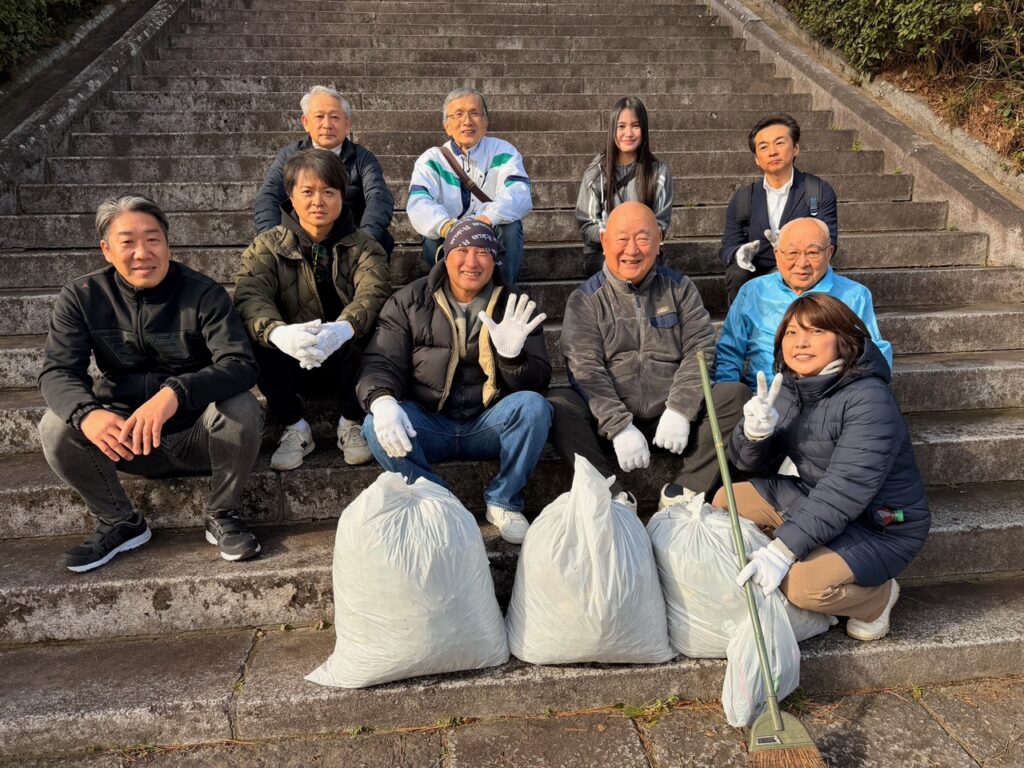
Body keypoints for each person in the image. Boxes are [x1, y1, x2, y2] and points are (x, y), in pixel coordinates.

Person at [39, 195, 263, 572]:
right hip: (124, 441)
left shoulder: (203, 293)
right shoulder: (82, 297)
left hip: (197, 435)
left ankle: (223, 514)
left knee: (241, 406)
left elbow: (241, 364)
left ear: (168, 243)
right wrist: (88, 413)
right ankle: (119, 521)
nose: (142, 253)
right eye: (127, 242)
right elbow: (57, 371)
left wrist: (176, 393)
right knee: (55, 425)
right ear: (106, 250)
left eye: (153, 239)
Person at [721, 293, 930, 642]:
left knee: (803, 587)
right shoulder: (790, 387)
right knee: (728, 500)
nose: (800, 342)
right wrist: (754, 435)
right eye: (791, 332)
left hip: (879, 524)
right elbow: (748, 465)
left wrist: (782, 551)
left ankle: (878, 598)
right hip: (813, 496)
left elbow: (845, 489)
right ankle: (805, 552)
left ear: (843, 339)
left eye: (815, 331)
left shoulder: (869, 399)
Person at [357, 219, 552, 544]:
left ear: (495, 260)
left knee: (534, 408)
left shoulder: (513, 303)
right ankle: (438, 499)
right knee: (374, 425)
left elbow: (539, 382)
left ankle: (504, 500)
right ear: (445, 256)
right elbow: (381, 361)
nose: (472, 262)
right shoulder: (410, 300)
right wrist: (382, 399)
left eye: (483, 252)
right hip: (429, 422)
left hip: (488, 423)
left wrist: (513, 359)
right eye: (462, 250)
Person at [547, 201, 749, 508]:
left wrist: (680, 409)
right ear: (604, 241)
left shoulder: (680, 288)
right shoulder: (585, 299)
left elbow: (701, 349)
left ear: (659, 240)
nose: (632, 249)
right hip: (610, 422)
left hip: (672, 420)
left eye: (642, 238)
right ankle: (609, 492)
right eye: (621, 238)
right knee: (558, 406)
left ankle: (685, 489)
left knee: (734, 395)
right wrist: (619, 426)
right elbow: (585, 370)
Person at [235, 149, 390, 471]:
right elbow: (251, 296)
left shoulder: (365, 247)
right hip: (291, 359)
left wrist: (344, 328)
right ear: (291, 196)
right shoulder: (266, 246)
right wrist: (278, 333)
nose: (318, 201)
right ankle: (296, 427)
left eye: (328, 192)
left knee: (386, 326)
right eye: (307, 191)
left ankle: (351, 421)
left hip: (348, 360)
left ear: (342, 196)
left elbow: (372, 293)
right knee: (249, 332)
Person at [716, 217, 891, 390]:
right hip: (764, 394)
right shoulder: (753, 291)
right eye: (792, 253)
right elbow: (729, 352)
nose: (802, 263)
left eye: (813, 253)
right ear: (777, 254)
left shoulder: (855, 295)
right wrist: (726, 393)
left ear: (829, 253)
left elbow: (874, 355)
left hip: (830, 394)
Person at [406, 87, 532, 283]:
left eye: (474, 113)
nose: (467, 121)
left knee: (510, 225)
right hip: (449, 235)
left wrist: (486, 219)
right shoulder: (431, 160)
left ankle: (503, 289)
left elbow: (519, 193)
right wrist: (447, 227)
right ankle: (448, 290)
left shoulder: (504, 151)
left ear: (485, 123)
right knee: (431, 234)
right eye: (458, 114)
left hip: (489, 232)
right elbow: (418, 202)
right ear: (446, 126)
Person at [253, 85, 395, 254]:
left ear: (347, 125)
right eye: (319, 117)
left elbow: (379, 197)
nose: (327, 125)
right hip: (300, 239)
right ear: (306, 122)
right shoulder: (289, 156)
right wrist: (275, 241)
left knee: (381, 240)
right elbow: (268, 197)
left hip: (351, 239)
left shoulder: (363, 158)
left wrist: (365, 240)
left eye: (334, 117)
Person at [720, 114, 838, 304]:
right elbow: (728, 246)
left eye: (780, 143)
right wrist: (739, 252)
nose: (772, 152)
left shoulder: (818, 191)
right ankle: (741, 322)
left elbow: (829, 240)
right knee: (737, 273)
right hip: (757, 269)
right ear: (756, 158)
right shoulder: (743, 198)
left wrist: (794, 248)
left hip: (802, 267)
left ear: (796, 148)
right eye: (763, 147)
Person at [576, 96, 674, 276]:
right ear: (612, 129)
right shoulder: (596, 173)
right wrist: (616, 236)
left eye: (635, 126)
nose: (628, 133)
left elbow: (659, 225)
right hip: (603, 253)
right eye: (621, 126)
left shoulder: (659, 173)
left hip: (642, 253)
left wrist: (635, 240)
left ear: (644, 129)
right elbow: (587, 225)